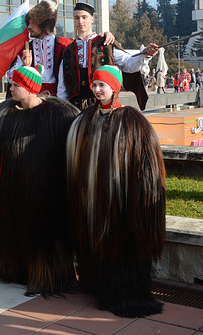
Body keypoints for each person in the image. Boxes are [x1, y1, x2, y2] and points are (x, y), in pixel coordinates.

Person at [0, 64, 80, 296]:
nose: (10, 89)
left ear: (30, 89)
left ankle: (46, 275)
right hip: (11, 194)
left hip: (44, 194)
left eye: (15, 85)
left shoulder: (60, 116)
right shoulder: (1, 116)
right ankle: (14, 269)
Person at [67, 65, 166, 318]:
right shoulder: (85, 119)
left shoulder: (133, 121)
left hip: (122, 203)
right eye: (95, 84)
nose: (97, 89)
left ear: (115, 87)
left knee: (120, 248)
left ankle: (124, 293)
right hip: (94, 202)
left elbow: (146, 168)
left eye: (103, 85)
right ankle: (99, 287)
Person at [57, 2, 158, 109]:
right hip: (75, 106)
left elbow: (128, 64)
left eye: (84, 17)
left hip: (103, 104)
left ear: (92, 19)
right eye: (77, 18)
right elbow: (62, 86)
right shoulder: (68, 50)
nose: (80, 21)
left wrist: (145, 54)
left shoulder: (105, 43)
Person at [6, 0, 73, 98]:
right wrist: (25, 67)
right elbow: (11, 78)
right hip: (32, 100)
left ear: (43, 24)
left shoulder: (65, 44)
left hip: (61, 100)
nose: (29, 27)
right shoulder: (26, 49)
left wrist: (105, 36)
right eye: (28, 23)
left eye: (33, 22)